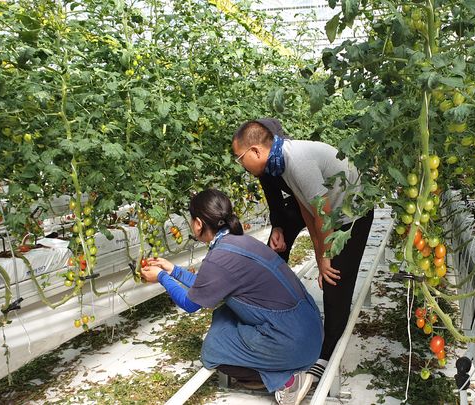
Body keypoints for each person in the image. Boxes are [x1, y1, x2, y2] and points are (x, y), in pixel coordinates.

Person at [140, 189, 322, 405]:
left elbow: (191, 304)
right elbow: (206, 285)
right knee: (223, 314)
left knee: (212, 351)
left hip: (293, 344)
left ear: (198, 223)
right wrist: (173, 271)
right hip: (310, 330)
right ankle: (282, 365)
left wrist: (162, 277)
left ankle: (288, 381)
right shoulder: (240, 242)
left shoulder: (220, 256)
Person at [232, 120, 374, 384]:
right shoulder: (281, 164)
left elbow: (324, 212)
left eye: (239, 158)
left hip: (353, 214)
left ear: (255, 151)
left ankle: (327, 353)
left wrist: (326, 257)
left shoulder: (296, 160)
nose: (240, 164)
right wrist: (320, 254)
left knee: (335, 281)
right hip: (332, 213)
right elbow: (310, 213)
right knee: (328, 269)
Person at [251, 119, 306, 263]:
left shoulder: (296, 160)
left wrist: (321, 253)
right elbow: (274, 201)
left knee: (332, 267)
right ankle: (273, 278)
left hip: (327, 206)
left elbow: (317, 207)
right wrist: (278, 227)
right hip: (300, 203)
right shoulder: (265, 168)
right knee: (273, 253)